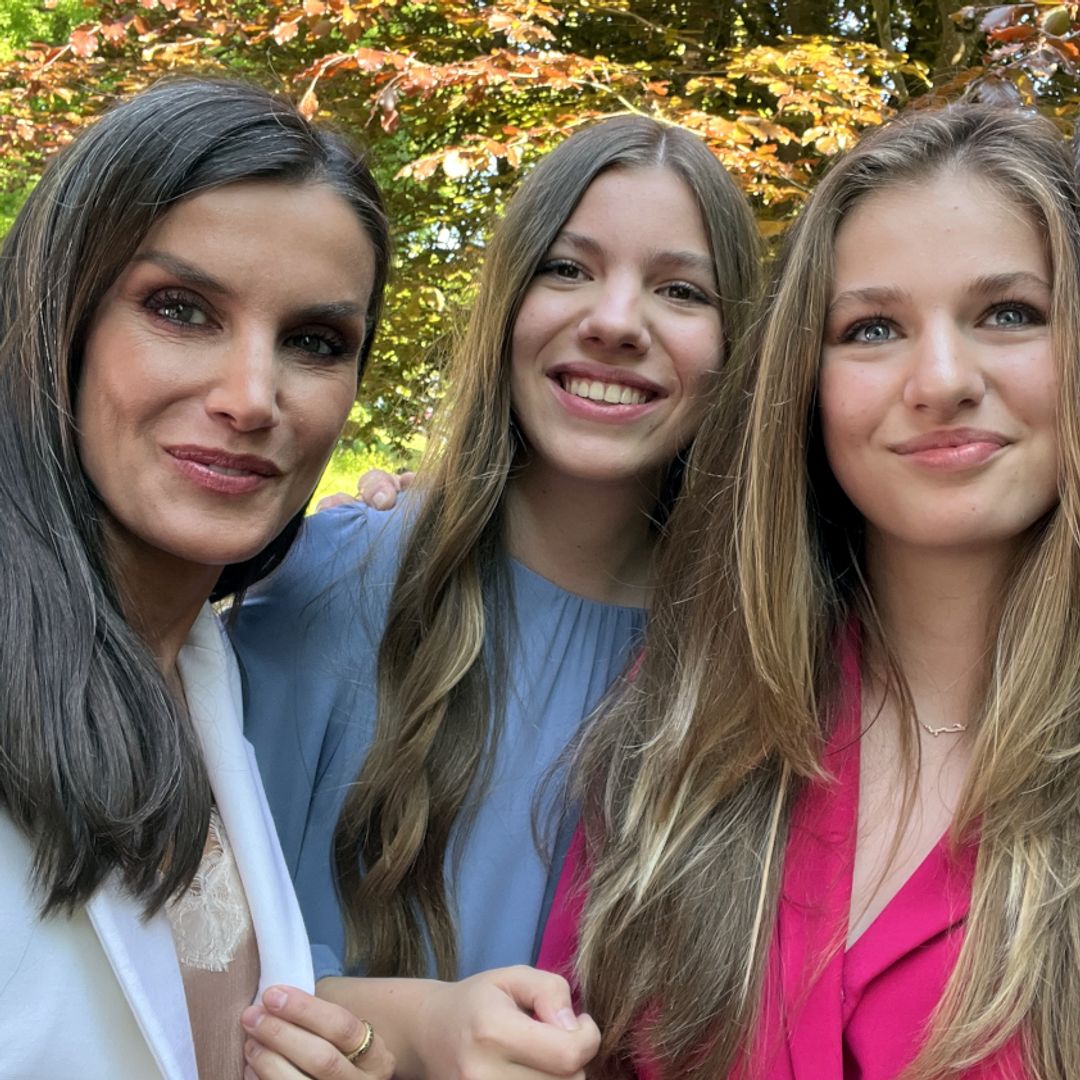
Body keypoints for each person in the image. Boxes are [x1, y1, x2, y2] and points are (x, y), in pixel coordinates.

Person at [538, 103, 1080, 1079]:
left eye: (1008, 314)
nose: (941, 379)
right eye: (873, 327)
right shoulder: (689, 716)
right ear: (807, 384)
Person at [231, 114, 761, 1077]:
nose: (615, 320)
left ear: (738, 348)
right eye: (568, 268)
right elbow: (185, 957)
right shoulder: (335, 580)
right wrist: (416, 1030)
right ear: (509, 303)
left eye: (681, 290)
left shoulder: (761, 666)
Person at [0, 77, 397, 1080]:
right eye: (181, 310)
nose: (252, 396)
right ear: (61, 318)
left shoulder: (207, 664)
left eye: (315, 342)